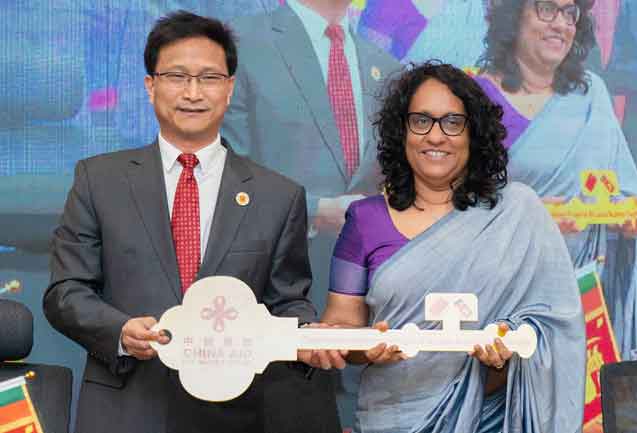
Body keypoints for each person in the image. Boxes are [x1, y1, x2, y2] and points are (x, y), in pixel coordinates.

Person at [43, 11, 339, 433]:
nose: (193, 92)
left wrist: (307, 336)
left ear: (230, 88)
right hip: (127, 405)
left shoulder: (278, 195)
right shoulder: (99, 180)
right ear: (151, 86)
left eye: (209, 78)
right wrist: (120, 331)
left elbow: (287, 302)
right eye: (177, 76)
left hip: (235, 411)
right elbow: (66, 291)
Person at [318, 61, 586, 433]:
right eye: (421, 121)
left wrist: (507, 345)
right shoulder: (365, 220)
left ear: (473, 134)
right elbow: (341, 325)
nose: (436, 136)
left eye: (453, 122)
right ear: (402, 131)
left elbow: (555, 325)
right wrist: (368, 346)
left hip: (489, 418)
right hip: (392, 418)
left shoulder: (517, 214)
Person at [475, 0, 637, 359]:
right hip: (502, 294)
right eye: (547, 9)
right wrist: (531, 215)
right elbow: (455, 208)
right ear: (514, 15)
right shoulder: (475, 98)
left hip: (584, 294)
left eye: (570, 13)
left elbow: (623, 189)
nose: (561, 24)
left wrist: (629, 219)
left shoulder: (590, 93)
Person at [222, 0, 400, 311]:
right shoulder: (242, 43)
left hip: (368, 288)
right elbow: (226, 167)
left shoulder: (385, 65)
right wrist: (314, 210)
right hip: (273, 281)